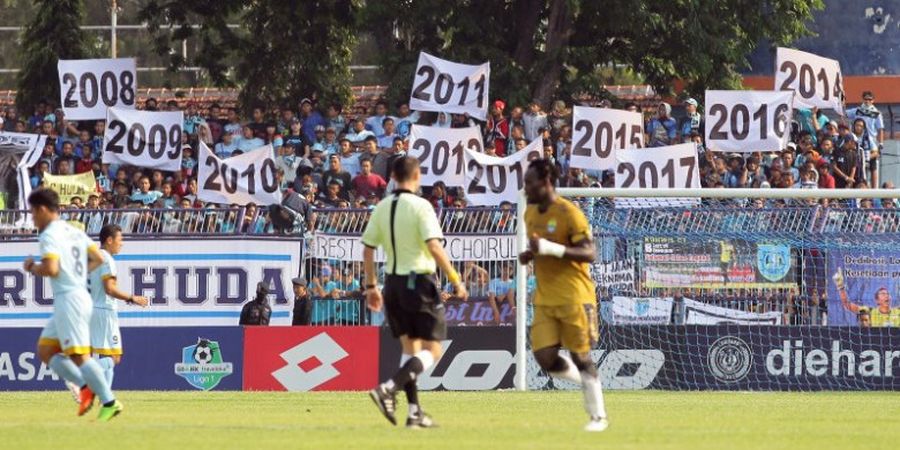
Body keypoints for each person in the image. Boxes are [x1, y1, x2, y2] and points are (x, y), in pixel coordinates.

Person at [363, 156, 468, 429]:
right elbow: (434, 247)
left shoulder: (382, 207)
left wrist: (371, 287)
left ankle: (413, 413)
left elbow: (368, 249)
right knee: (433, 351)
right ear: (417, 175)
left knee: (410, 350)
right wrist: (456, 280)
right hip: (418, 283)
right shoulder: (422, 206)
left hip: (392, 284)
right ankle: (388, 388)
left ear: (394, 178)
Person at [517, 159, 609, 432]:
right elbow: (540, 247)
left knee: (581, 357)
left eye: (529, 182)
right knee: (544, 358)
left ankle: (598, 417)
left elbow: (590, 253)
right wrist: (530, 254)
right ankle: (588, 381)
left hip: (574, 296)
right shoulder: (530, 213)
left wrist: (548, 248)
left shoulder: (570, 213)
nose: (526, 187)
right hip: (545, 298)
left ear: (546, 182)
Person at [23, 188, 123, 421]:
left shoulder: (48, 235)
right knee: (46, 350)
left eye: (33, 212)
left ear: (43, 209)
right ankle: (85, 387)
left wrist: (31, 268)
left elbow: (51, 269)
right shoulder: (73, 230)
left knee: (79, 356)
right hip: (76, 296)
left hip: (69, 299)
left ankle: (109, 401)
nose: (33, 217)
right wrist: (77, 277)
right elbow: (97, 258)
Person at [82, 224, 149, 391]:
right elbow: (109, 289)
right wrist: (132, 298)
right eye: (120, 239)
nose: (122, 243)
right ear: (109, 240)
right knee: (114, 357)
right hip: (103, 310)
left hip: (93, 309)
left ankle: (105, 397)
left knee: (106, 355)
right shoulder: (106, 260)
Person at [833, 268, 900, 327]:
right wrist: (840, 287)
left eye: (888, 294)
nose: (887, 296)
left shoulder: (898, 311)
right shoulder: (870, 312)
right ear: (877, 300)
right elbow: (847, 304)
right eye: (883, 294)